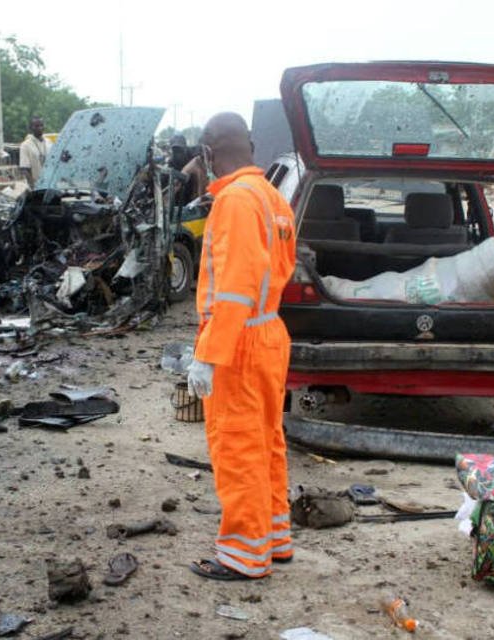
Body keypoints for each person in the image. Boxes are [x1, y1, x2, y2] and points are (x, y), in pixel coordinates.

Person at [186, 112, 297, 581]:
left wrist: (210, 355)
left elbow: (233, 288)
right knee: (268, 440)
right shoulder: (272, 196)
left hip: (241, 342)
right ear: (249, 145)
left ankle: (244, 555)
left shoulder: (234, 200)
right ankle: (273, 540)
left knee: (238, 447)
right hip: (268, 333)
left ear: (210, 154)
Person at [19, 116, 50, 186]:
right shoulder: (25, 145)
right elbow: (24, 169)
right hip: (37, 185)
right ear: (31, 128)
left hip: (50, 185)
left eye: (41, 125)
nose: (40, 128)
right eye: (36, 126)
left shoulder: (49, 142)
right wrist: (33, 186)